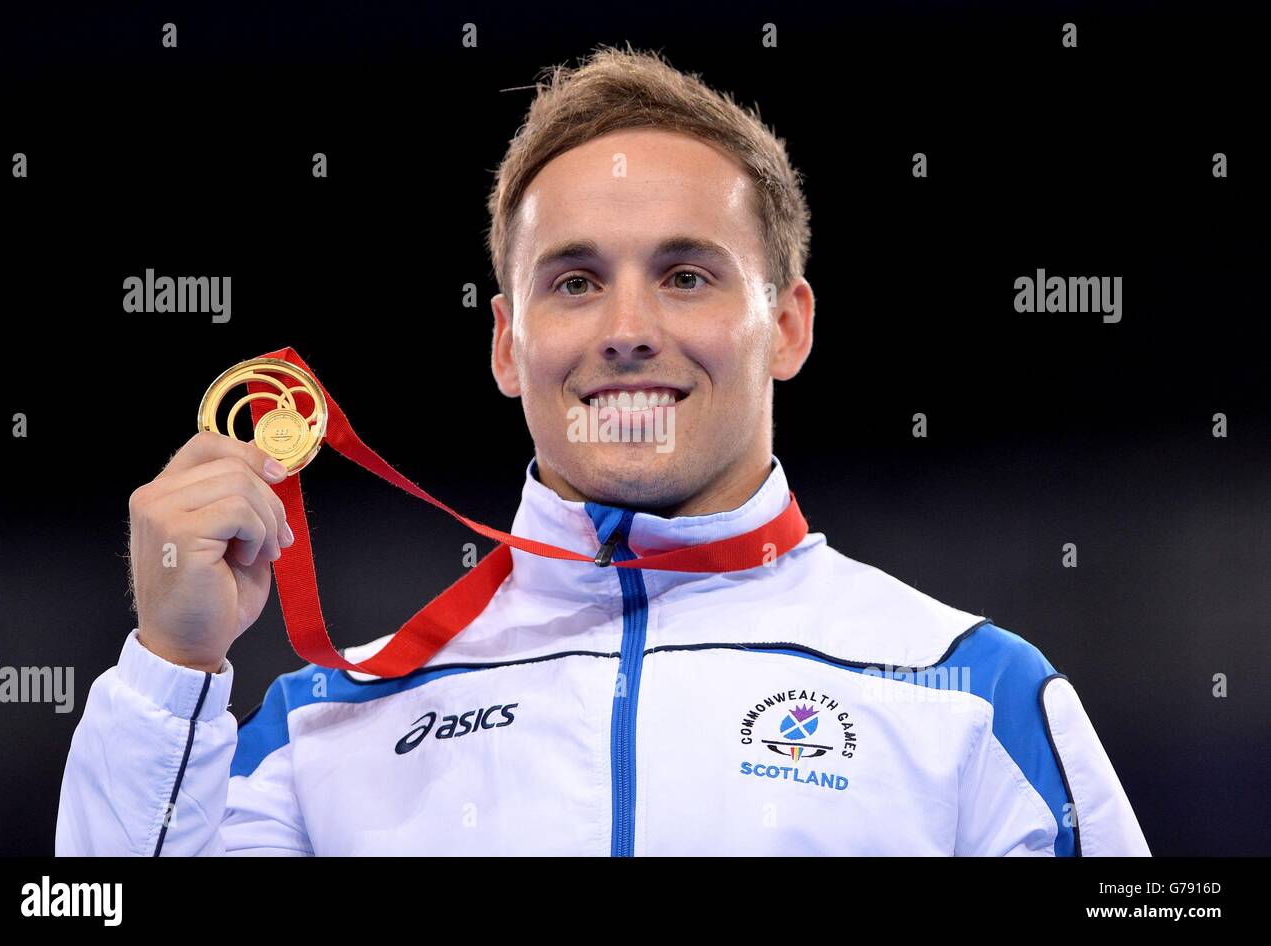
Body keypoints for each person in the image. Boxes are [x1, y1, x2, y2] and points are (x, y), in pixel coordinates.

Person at [56, 46, 1149, 856]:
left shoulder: (974, 697)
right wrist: (172, 672)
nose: (626, 326)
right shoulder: (322, 728)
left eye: (686, 274)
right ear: (505, 341)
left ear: (788, 325)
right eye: (575, 281)